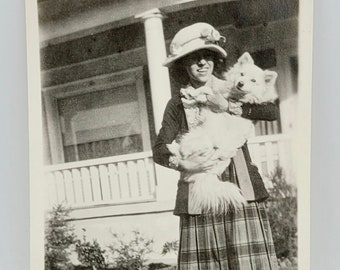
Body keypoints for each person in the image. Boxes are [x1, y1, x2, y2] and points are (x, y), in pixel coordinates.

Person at [153, 23, 279, 270]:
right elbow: (159, 148)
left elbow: (271, 111)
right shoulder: (177, 103)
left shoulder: (234, 86)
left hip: (241, 186)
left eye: (207, 56)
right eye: (193, 59)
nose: (202, 63)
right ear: (183, 66)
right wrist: (184, 163)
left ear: (215, 60)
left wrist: (230, 106)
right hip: (200, 190)